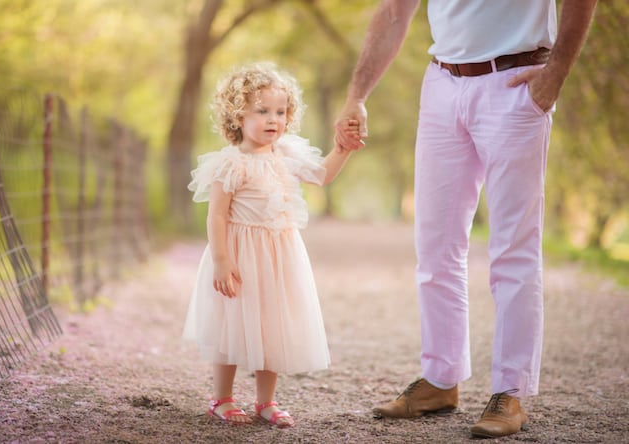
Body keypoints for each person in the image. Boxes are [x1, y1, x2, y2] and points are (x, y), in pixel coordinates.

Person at [335, 0, 597, 438]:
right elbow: (394, 12)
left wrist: (556, 74)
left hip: (516, 82)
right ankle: (440, 379)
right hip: (442, 83)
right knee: (435, 246)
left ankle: (510, 392)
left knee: (513, 247)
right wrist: (356, 96)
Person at [183, 63, 357, 427]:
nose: (272, 119)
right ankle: (223, 398)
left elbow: (322, 175)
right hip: (241, 254)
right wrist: (220, 260)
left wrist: (343, 149)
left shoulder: (286, 154)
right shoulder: (230, 163)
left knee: (274, 324)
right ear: (238, 116)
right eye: (261, 111)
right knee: (231, 323)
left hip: (281, 254)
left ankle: (266, 401)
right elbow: (216, 216)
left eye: (280, 112)